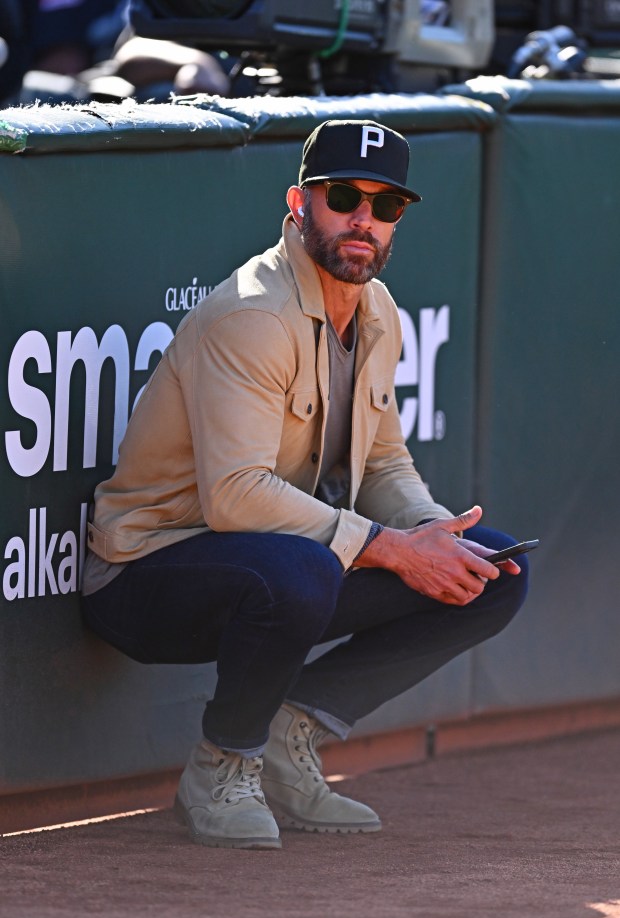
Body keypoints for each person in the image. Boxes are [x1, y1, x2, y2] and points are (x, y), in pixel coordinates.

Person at [81, 118, 529, 851]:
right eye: (345, 197)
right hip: (144, 575)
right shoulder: (255, 314)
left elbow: (383, 465)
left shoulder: (378, 311)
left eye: (385, 208)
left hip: (279, 563)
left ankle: (297, 734)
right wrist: (389, 547)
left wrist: (432, 535)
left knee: (496, 567)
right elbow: (237, 497)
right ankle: (223, 765)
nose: (365, 220)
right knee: (304, 566)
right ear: (300, 202)